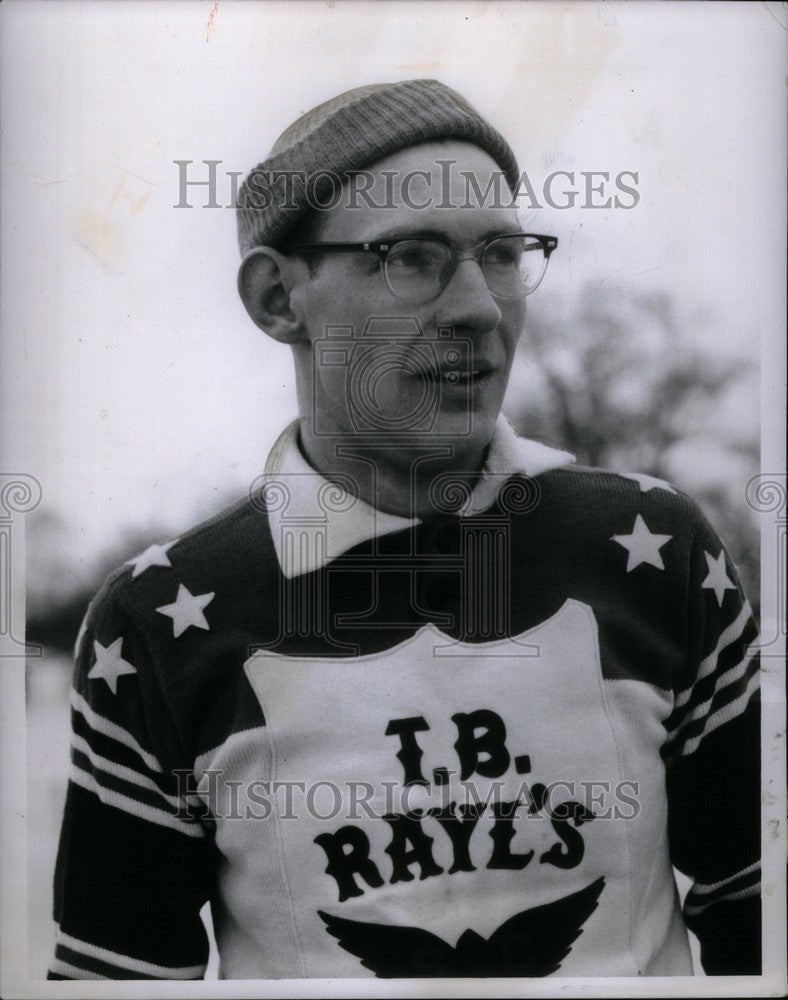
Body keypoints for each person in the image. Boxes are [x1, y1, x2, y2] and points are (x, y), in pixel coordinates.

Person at [48, 79, 760, 980]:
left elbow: (760, 912)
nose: (479, 309)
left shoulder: (652, 549)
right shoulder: (158, 621)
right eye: (412, 257)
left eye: (502, 253)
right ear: (278, 298)